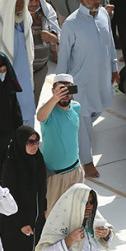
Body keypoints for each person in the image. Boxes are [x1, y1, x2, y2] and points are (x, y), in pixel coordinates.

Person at [55, 0, 117, 179]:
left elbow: (110, 43)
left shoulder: (104, 15)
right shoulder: (71, 24)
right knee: (84, 119)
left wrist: (114, 67)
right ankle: (86, 161)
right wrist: (60, 84)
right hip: (78, 82)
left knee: (95, 111)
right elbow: (63, 56)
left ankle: (74, 137)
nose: (98, 0)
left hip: (101, 78)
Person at [0, 126, 48, 251]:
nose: (34, 145)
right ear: (20, 143)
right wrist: (22, 222)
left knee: (32, 250)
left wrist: (44, 208)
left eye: (36, 141)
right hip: (16, 220)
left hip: (35, 216)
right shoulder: (12, 165)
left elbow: (42, 189)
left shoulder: (37, 159)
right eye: (29, 142)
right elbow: (10, 198)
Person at [0, 0, 34, 125]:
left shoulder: (25, 21)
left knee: (26, 113)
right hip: (4, 80)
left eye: (22, 4)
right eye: (16, 4)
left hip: (24, 79)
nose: (19, 8)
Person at [37, 74, 84, 212]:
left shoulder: (76, 107)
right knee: (53, 214)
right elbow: (40, 116)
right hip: (55, 176)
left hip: (75, 171)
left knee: (75, 211)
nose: (65, 94)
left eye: (68, 90)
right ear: (53, 91)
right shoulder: (48, 110)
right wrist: (55, 98)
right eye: (60, 90)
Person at [22, 0, 59, 105]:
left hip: (40, 68)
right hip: (21, 69)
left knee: (33, 102)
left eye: (37, 0)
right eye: (30, 0)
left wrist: (51, 37)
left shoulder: (46, 11)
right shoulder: (17, 13)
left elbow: (60, 37)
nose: (34, 4)